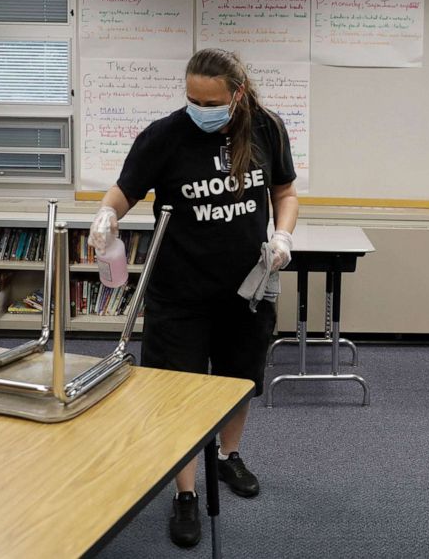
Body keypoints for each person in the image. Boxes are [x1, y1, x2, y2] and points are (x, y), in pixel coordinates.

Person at [88, 48, 299, 548]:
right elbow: (124, 189)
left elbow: (285, 192)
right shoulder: (164, 136)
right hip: (180, 292)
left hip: (246, 288)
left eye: (210, 101)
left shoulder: (265, 128)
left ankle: (228, 457)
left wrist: (284, 236)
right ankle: (185, 492)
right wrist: (105, 215)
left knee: (238, 380)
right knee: (176, 394)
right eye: (191, 99)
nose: (200, 109)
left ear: (236, 94)